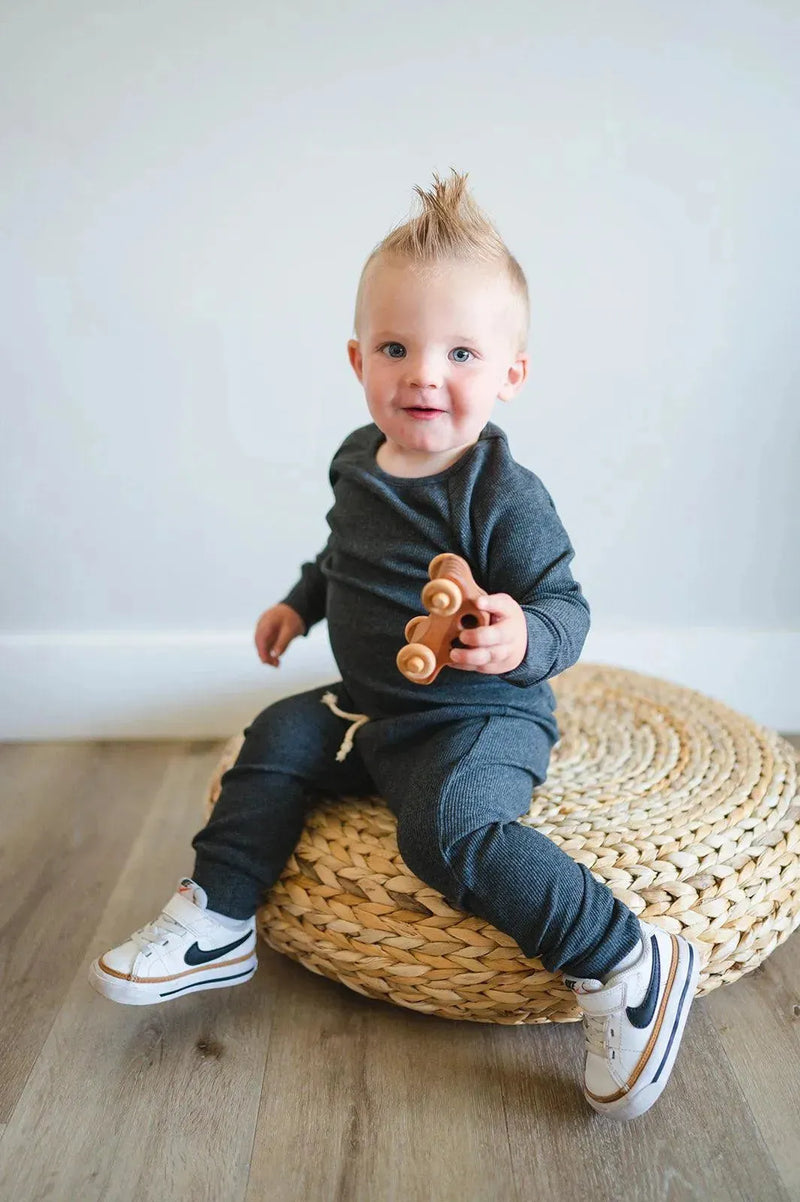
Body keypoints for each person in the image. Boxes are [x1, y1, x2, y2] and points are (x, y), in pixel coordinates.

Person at [89, 170, 700, 1121]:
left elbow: (566, 607)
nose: (422, 374)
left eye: (460, 352)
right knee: (276, 736)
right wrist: (300, 603)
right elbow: (345, 554)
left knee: (445, 830)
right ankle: (219, 918)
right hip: (371, 706)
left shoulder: (501, 494)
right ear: (357, 359)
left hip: (477, 715)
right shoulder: (355, 459)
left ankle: (624, 958)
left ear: (511, 375)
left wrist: (519, 636)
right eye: (395, 347)